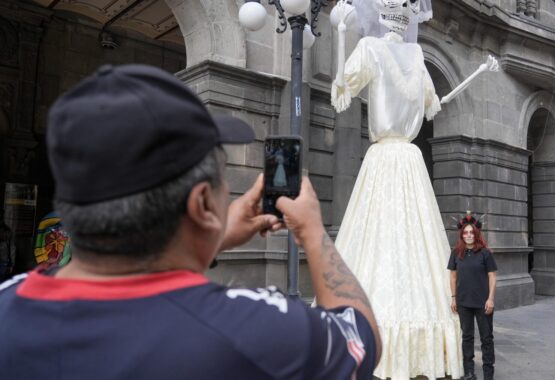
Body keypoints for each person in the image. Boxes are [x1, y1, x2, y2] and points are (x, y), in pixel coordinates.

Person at [0, 64, 381, 379]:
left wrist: (211, 236)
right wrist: (313, 233)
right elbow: (361, 337)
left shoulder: (8, 302)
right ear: (201, 202)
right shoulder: (254, 329)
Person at [327, 0, 498, 377]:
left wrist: (341, 33)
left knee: (377, 237)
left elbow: (341, 89)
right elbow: (434, 105)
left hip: (385, 156)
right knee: (411, 238)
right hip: (408, 158)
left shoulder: (374, 48)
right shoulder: (414, 54)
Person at [448, 212, 497, 380]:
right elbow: (453, 276)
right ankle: (469, 372)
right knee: (467, 338)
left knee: (486, 339)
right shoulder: (456, 253)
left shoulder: (485, 253)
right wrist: (454, 298)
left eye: (471, 232)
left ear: (476, 234)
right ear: (462, 235)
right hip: (463, 303)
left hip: (483, 303)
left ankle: (488, 374)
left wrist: (490, 299)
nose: (468, 235)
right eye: (465, 232)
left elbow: (492, 276)